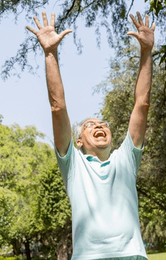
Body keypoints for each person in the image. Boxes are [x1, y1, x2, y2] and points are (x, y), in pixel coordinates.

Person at [27, 11, 154, 259]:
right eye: (89, 125)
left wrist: (147, 53)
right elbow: (58, 107)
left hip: (133, 259)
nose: (99, 126)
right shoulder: (74, 165)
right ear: (78, 141)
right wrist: (50, 54)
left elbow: (142, 104)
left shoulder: (125, 159)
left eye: (103, 123)